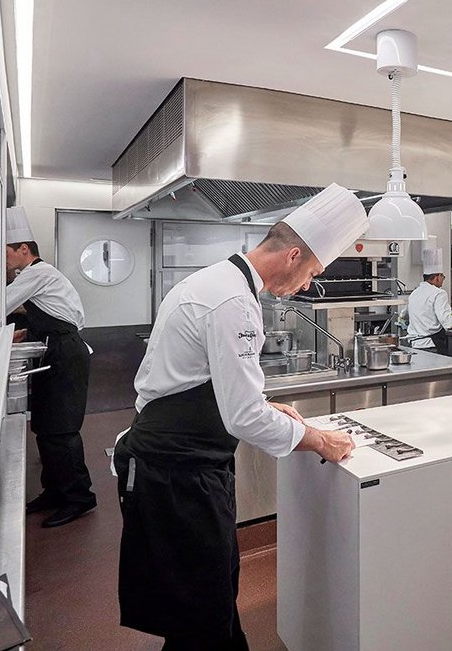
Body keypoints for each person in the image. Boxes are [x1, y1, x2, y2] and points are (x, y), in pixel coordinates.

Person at [113, 183, 365, 650]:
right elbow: (243, 417)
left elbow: (197, 382)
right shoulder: (234, 302)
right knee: (201, 615)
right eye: (312, 271)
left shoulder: (217, 281)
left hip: (181, 464)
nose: (309, 284)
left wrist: (267, 405)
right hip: (178, 475)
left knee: (208, 603)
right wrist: (316, 438)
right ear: (292, 256)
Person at [0, 208, 97, 527]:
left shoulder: (37, 273)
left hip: (65, 354)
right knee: (45, 427)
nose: (3, 259)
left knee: (62, 429)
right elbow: (54, 314)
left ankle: (80, 497)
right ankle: (54, 492)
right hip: (53, 349)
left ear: (23, 250)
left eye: (6, 252)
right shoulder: (36, 275)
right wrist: (29, 332)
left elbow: (4, 302)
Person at [405, 246, 452, 353]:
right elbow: (446, 319)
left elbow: (405, 315)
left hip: (414, 346)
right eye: (443, 277)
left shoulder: (415, 292)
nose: (443, 280)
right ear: (437, 277)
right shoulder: (439, 293)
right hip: (430, 345)